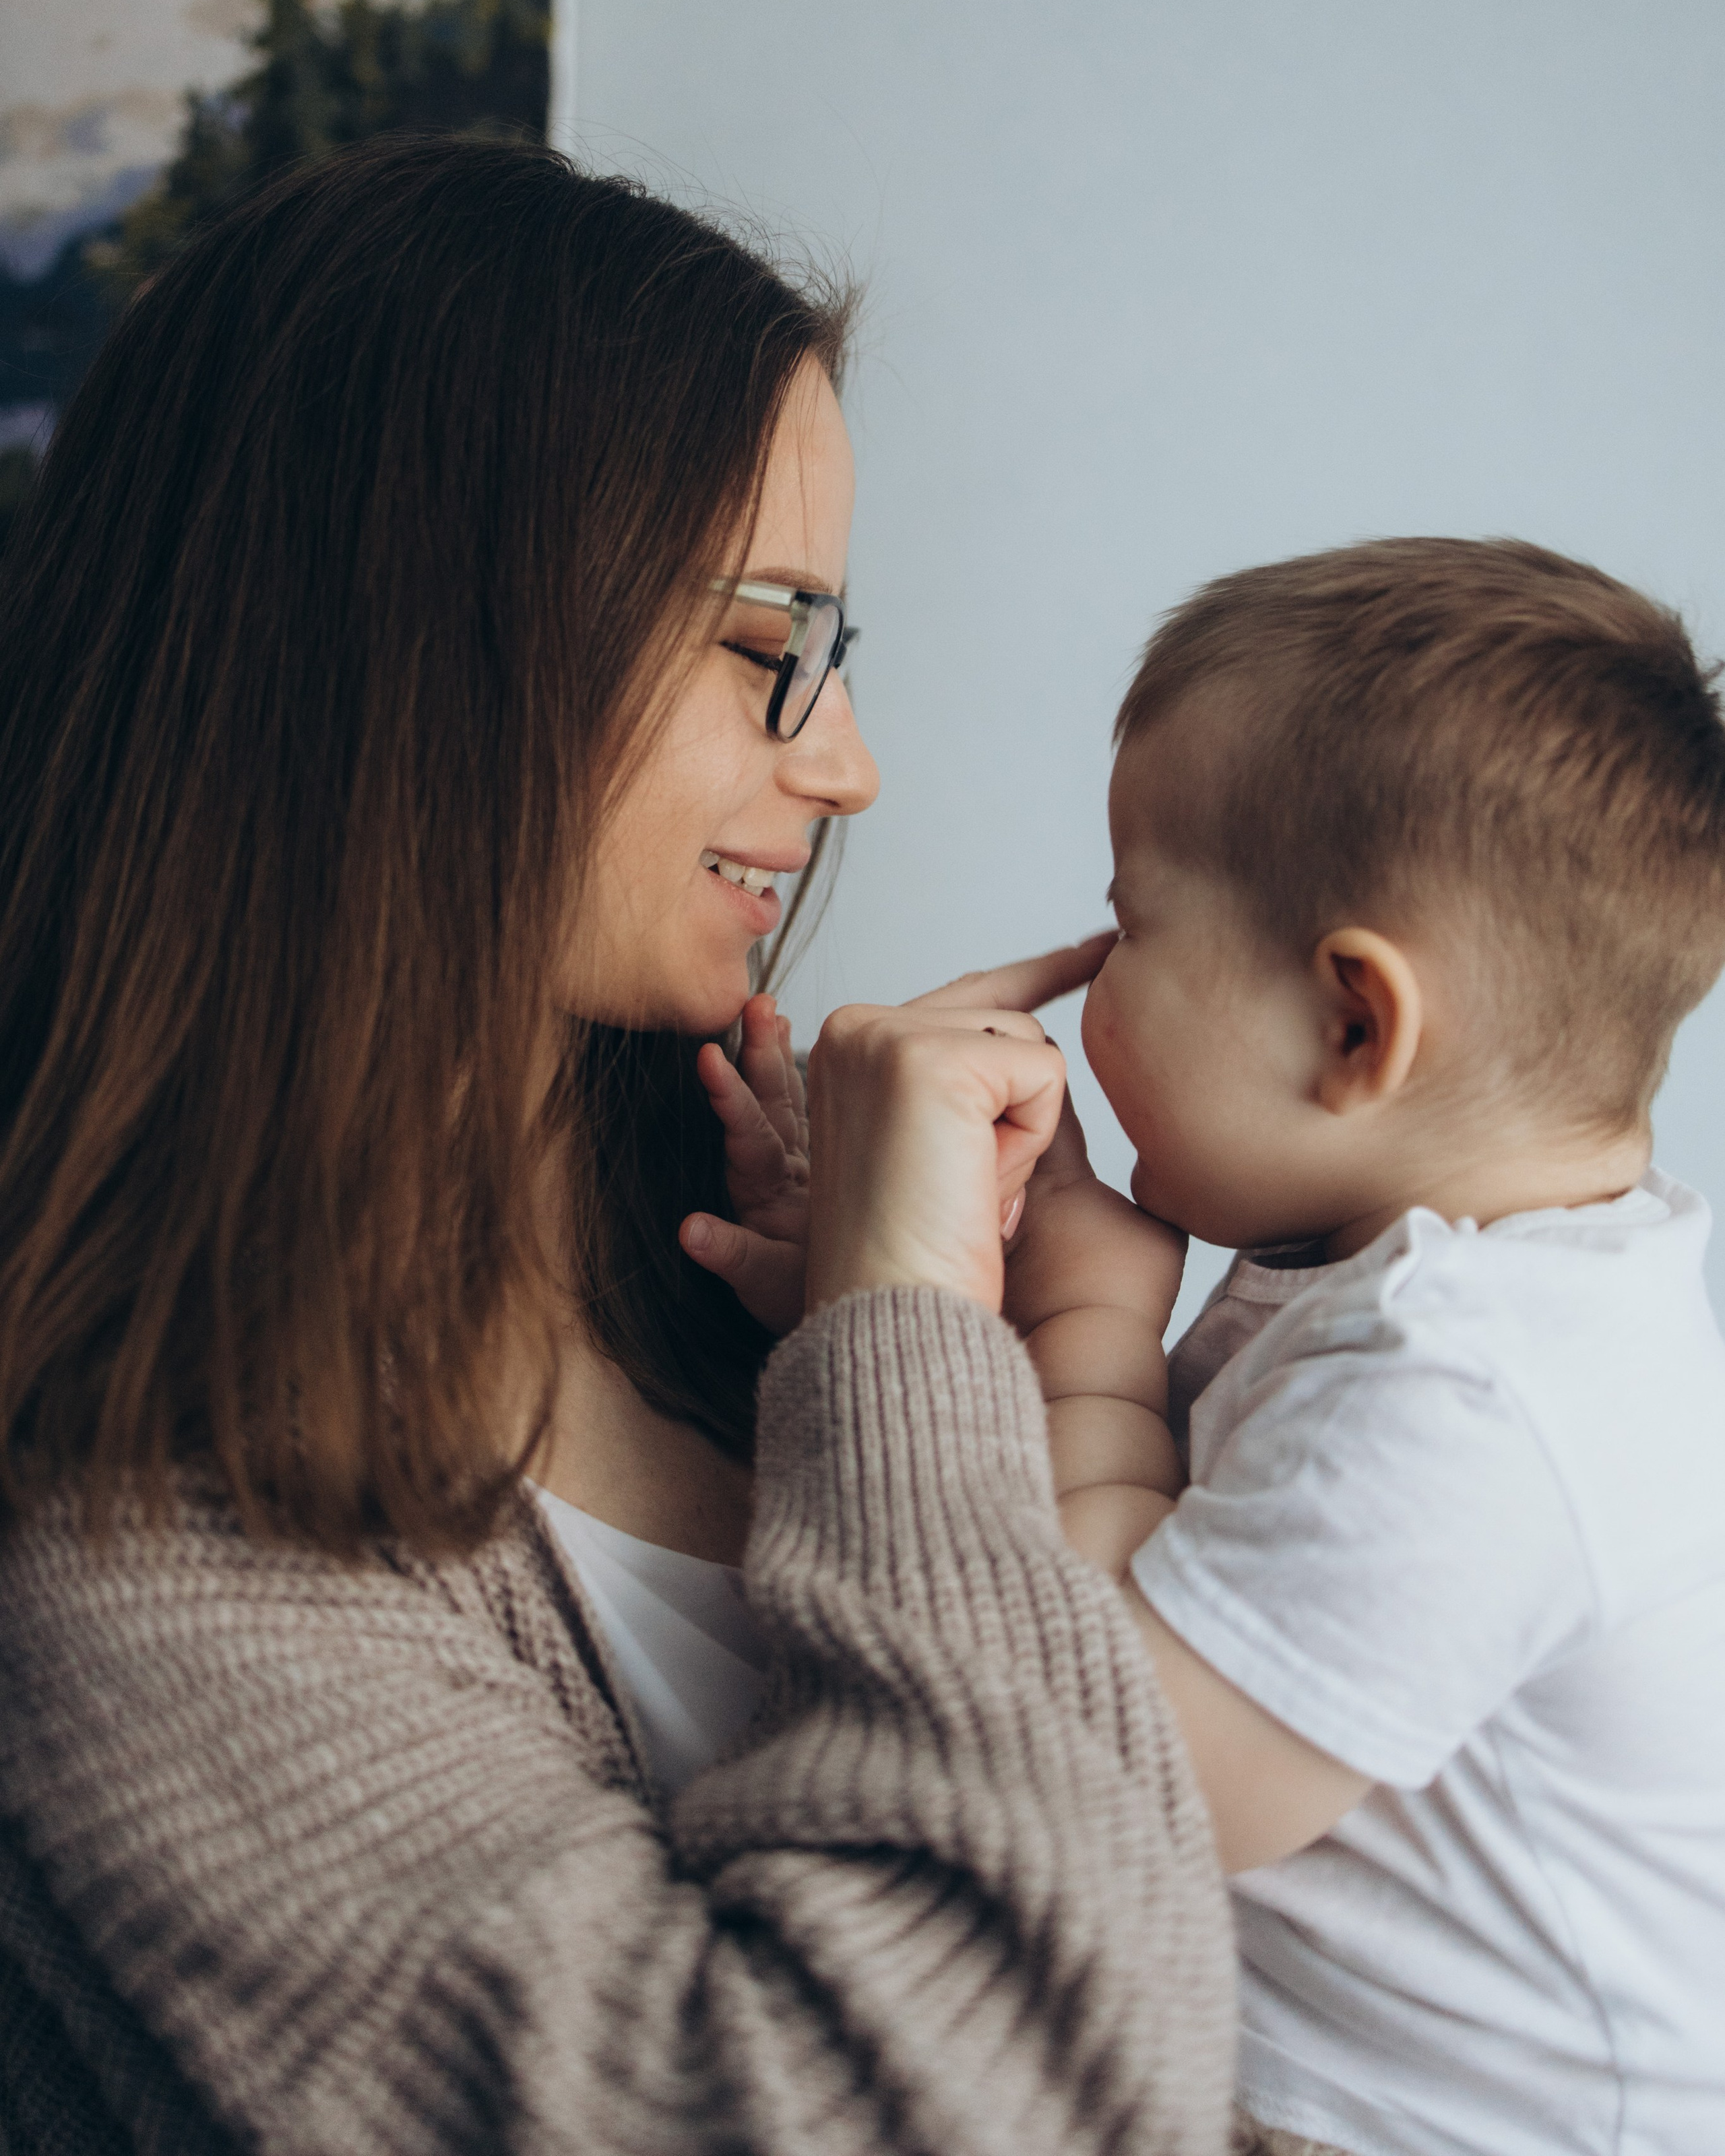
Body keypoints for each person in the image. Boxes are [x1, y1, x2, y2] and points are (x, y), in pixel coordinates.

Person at [0, 134, 1236, 2155]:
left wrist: (1014, 1363)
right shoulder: (137, 1535)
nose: (845, 768)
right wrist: (910, 1349)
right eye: (769, 651)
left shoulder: (729, 1293)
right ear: (414, 641)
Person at [995, 538, 1725, 2156]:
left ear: (1350, 1026)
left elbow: (1110, 1771)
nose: (1089, 970)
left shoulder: (1473, 1388)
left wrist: (1088, 1326)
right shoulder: (1429, 1267)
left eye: (1131, 923)